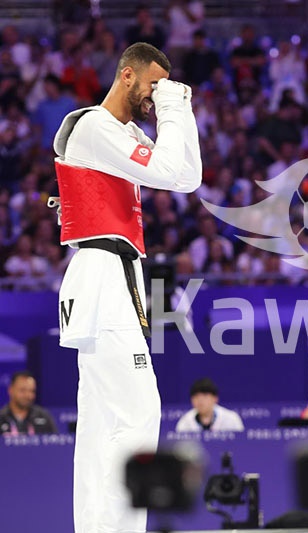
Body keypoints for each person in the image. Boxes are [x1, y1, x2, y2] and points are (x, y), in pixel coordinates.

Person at [52, 42, 201, 533]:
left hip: (113, 275)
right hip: (101, 273)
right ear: (127, 75)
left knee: (100, 424)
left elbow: (186, 177)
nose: (155, 96)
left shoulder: (125, 133)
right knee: (139, 411)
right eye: (152, 85)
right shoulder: (96, 126)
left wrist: (182, 111)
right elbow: (166, 173)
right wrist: (174, 108)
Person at [175, 378, 244, 432]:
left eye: (205, 396)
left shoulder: (231, 419)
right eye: (196, 396)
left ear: (215, 398)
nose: (200, 400)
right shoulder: (185, 422)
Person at [0, 371, 57, 435]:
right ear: (10, 390)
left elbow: (55, 443)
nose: (28, 395)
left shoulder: (44, 417)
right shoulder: (1, 417)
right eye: (23, 390)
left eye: (32, 391)